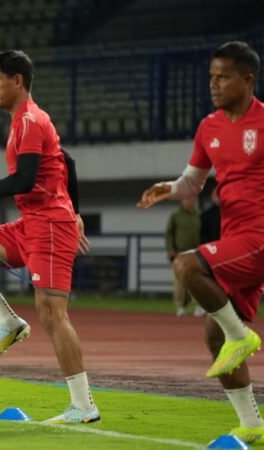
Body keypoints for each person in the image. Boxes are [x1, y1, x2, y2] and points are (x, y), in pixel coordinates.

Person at [0, 51, 98, 424]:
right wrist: (76, 212)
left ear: (18, 81)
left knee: (53, 314)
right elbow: (67, 162)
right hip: (31, 224)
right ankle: (8, 322)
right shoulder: (25, 121)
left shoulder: (29, 120)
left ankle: (84, 406)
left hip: (50, 227)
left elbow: (24, 180)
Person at [137, 41, 264, 444]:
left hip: (261, 235)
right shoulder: (209, 126)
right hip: (235, 239)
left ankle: (242, 337)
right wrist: (169, 188)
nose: (214, 84)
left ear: (247, 80)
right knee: (214, 334)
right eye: (211, 77)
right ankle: (252, 425)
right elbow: (193, 181)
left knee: (186, 265)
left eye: (223, 77)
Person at [165, 197, 203, 317]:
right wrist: (170, 250)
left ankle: (198, 306)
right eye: (188, 199)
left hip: (196, 253)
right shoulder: (175, 215)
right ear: (182, 201)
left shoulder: (199, 214)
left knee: (197, 281)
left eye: (192, 199)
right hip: (180, 252)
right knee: (179, 282)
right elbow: (169, 233)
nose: (190, 201)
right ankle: (180, 307)